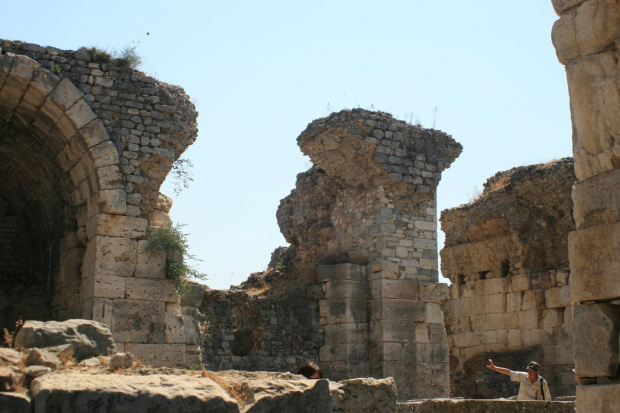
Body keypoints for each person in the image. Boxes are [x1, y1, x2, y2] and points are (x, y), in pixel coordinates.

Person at [487, 359, 551, 401]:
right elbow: (509, 372)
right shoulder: (523, 376)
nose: (529, 372)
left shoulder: (542, 382)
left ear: (536, 372)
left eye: (531, 371)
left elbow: (547, 398)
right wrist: (494, 368)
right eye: (528, 370)